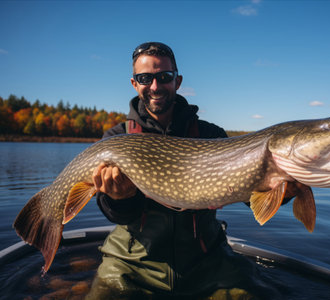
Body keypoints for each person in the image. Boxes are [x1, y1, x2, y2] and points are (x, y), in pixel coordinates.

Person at [86, 42, 280, 300]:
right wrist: (119, 199)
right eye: (145, 78)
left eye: (164, 77)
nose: (155, 87)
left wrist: (283, 188)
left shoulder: (211, 136)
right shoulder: (117, 137)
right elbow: (114, 214)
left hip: (207, 262)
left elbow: (249, 194)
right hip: (132, 264)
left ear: (177, 82)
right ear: (135, 84)